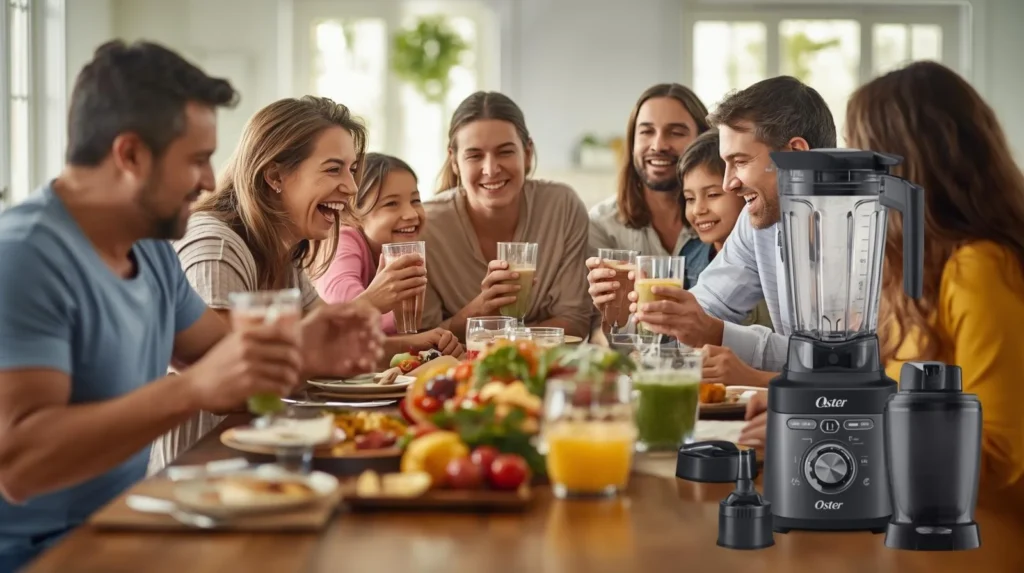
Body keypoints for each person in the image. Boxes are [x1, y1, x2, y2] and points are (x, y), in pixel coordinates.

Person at [0, 41, 382, 570]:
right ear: (131, 155)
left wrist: (306, 350)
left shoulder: (151, 248)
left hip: (132, 519)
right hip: (44, 553)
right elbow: (20, 465)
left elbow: (224, 365)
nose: (209, 179)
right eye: (197, 160)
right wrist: (190, 391)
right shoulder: (26, 256)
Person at [740, 61, 1024, 511]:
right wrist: (813, 413)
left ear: (906, 167)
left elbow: (1003, 461)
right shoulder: (916, 268)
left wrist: (834, 436)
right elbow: (894, 402)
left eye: (864, 150)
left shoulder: (980, 269)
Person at [150, 96, 410, 474]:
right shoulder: (216, 245)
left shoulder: (282, 252)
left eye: (352, 170)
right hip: (201, 470)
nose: (352, 187)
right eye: (334, 169)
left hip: (261, 459)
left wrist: (424, 354)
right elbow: (232, 382)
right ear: (275, 177)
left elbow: (335, 346)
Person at [629, 76, 836, 378]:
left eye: (740, 161)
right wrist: (666, 313)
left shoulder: (860, 228)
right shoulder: (759, 223)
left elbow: (835, 363)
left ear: (796, 156)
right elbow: (709, 304)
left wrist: (717, 334)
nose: (728, 183)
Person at [419, 91, 592, 341]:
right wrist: (478, 311)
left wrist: (488, 335)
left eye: (505, 152)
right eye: (475, 155)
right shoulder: (427, 226)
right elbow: (421, 339)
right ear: (454, 162)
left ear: (527, 154)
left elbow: (575, 321)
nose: (491, 169)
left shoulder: (562, 207)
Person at [316, 152, 464, 357]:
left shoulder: (398, 251)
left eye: (415, 200)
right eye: (391, 204)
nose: (411, 214)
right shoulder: (342, 241)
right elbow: (342, 309)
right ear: (353, 213)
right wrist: (406, 332)